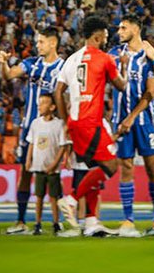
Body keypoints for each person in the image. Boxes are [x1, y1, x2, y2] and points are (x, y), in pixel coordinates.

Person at [54, 14, 131, 237]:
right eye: (106, 36)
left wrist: (64, 120)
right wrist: (123, 66)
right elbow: (122, 87)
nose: (107, 39)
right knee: (111, 165)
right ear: (97, 36)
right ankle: (71, 200)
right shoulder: (105, 58)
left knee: (92, 169)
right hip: (92, 123)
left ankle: (91, 222)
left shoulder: (71, 59)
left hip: (75, 122)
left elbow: (59, 92)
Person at [0, 27, 65, 234]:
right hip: (31, 128)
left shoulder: (63, 67)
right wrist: (3, 64)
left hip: (54, 129)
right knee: (25, 173)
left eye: (41, 41)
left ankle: (56, 220)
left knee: (53, 175)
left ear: (53, 43)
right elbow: (9, 75)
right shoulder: (31, 63)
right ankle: (21, 221)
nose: (38, 45)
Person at [110, 16, 154, 236]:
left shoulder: (149, 54)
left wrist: (132, 117)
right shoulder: (115, 54)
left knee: (153, 168)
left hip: (144, 122)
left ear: (136, 28)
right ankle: (128, 220)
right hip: (119, 120)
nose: (120, 30)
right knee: (126, 168)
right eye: (119, 27)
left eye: (124, 27)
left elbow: (150, 92)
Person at [23, 91, 69, 235]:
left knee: (54, 197)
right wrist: (28, 159)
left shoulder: (59, 124)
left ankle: (56, 222)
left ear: (52, 107)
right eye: (39, 103)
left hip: (52, 168)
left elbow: (63, 146)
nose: (40, 106)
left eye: (44, 103)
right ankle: (38, 223)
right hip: (38, 165)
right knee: (39, 196)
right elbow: (31, 143)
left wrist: (55, 164)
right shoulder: (35, 123)